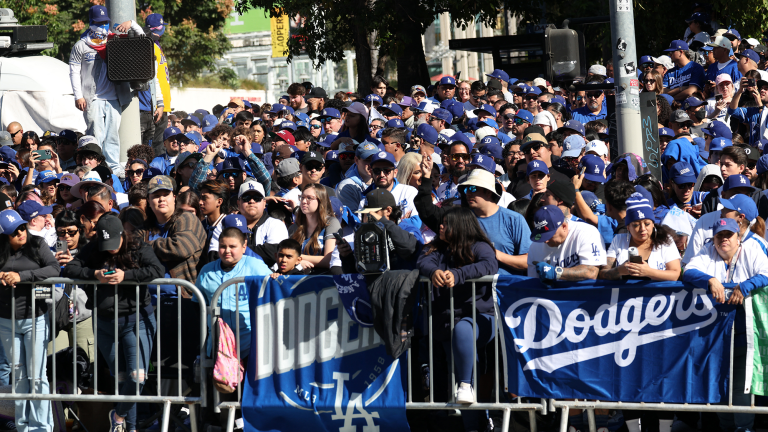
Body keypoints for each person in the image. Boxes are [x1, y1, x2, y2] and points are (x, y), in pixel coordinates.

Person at [63, 214, 163, 432]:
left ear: (122, 235)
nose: (110, 249)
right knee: (122, 379)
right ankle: (132, 428)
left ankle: (118, 417)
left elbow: (157, 270)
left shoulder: (138, 246)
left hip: (136, 319)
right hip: (105, 322)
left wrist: (125, 276)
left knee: (137, 377)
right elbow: (70, 269)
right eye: (105, 244)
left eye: (114, 243)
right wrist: (94, 274)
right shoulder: (93, 248)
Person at [684, 218, 768, 432]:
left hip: (744, 333)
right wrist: (710, 280)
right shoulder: (707, 251)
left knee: (740, 390)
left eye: (728, 235)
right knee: (719, 386)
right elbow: (688, 271)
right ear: (714, 238)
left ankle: (744, 429)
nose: (724, 239)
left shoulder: (751, 249)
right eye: (719, 235)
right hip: (714, 337)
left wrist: (746, 286)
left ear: (738, 238)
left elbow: (766, 272)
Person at [417, 207, 498, 422]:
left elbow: (490, 264)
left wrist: (459, 274)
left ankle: (468, 391)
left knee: (469, 378)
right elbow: (423, 261)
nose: (441, 226)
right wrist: (433, 272)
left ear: (460, 226)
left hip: (480, 319)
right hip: (445, 322)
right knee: (458, 389)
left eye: (446, 223)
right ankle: (473, 423)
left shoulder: (480, 246)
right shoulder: (437, 247)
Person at [0, 209, 60, 432]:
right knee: (19, 375)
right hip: (6, 321)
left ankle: (42, 427)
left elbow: (54, 268)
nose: (21, 232)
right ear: (5, 235)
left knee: (37, 376)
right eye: (14, 231)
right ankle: (23, 426)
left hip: (35, 318)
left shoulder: (37, 243)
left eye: (22, 227)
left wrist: (21, 277)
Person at [69, 6, 144, 176]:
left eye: (105, 23)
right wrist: (78, 95)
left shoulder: (115, 40)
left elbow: (141, 40)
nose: (102, 26)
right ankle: (93, 167)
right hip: (92, 98)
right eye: (99, 23)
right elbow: (74, 71)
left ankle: (113, 169)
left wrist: (131, 23)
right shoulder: (81, 46)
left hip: (113, 97)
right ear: (91, 23)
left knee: (112, 136)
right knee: (95, 134)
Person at [195, 226, 271, 360]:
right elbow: (197, 305)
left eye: (232, 246)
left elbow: (274, 292)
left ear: (244, 246)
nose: (227, 251)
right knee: (219, 381)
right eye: (223, 246)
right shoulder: (206, 271)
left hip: (250, 343)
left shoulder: (256, 266)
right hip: (217, 343)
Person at [145, 176, 206, 298]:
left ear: (174, 198)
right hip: (147, 302)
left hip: (182, 299)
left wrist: (147, 247)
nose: (161, 199)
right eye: (156, 196)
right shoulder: (145, 226)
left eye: (166, 194)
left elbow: (181, 248)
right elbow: (132, 251)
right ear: (148, 200)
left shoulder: (187, 218)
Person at [598, 193, 681, 280]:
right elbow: (603, 273)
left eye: (647, 224)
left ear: (653, 224)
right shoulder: (618, 240)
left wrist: (648, 272)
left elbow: (675, 274)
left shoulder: (665, 240)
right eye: (636, 225)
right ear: (628, 227)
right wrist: (620, 270)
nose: (642, 229)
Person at [527, 205, 607, 281]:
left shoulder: (586, 232)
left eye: (549, 235)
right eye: (542, 235)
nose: (545, 241)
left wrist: (556, 272)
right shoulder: (535, 246)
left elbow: (591, 272)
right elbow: (533, 283)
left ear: (564, 226)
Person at [289, 184, 340, 272]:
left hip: (323, 278)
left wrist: (296, 258)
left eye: (309, 198)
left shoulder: (331, 223)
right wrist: (298, 262)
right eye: (302, 197)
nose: (304, 201)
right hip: (298, 277)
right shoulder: (295, 227)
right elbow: (285, 257)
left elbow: (329, 260)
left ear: (321, 200)